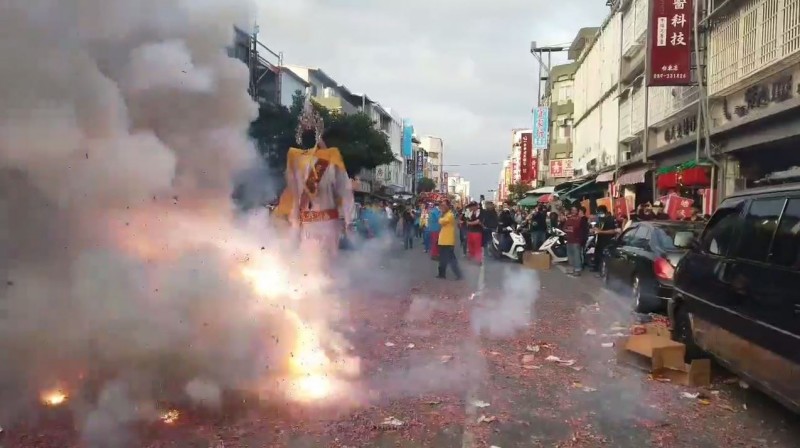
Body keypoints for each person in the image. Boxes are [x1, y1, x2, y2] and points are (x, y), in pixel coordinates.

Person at [274, 98, 354, 256]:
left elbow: (344, 191)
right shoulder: (295, 158)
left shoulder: (330, 159)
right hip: (309, 224)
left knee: (322, 266)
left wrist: (348, 220)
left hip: (326, 224)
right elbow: (293, 192)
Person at [436, 200, 463, 280]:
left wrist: (440, 216)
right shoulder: (445, 214)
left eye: (444, 205)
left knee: (451, 259)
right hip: (443, 240)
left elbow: (442, 222)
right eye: (442, 206)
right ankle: (441, 274)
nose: (442, 207)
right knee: (442, 258)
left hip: (448, 241)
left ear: (448, 206)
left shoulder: (450, 215)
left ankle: (459, 275)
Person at [592, 205, 619, 275]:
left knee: (605, 257)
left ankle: (605, 272)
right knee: (598, 255)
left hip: (608, 241)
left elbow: (614, 231)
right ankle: (598, 269)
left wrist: (601, 232)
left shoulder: (611, 219)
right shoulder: (601, 219)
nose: (598, 215)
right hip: (600, 241)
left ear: (603, 212)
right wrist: (594, 229)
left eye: (599, 213)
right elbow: (597, 228)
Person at [563, 206, 587, 276]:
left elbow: (581, 229)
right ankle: (573, 269)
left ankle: (577, 270)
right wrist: (569, 230)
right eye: (572, 210)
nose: (573, 211)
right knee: (570, 256)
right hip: (569, 240)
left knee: (576, 256)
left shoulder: (580, 219)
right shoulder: (569, 219)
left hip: (576, 240)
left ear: (577, 211)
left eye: (575, 210)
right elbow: (564, 228)